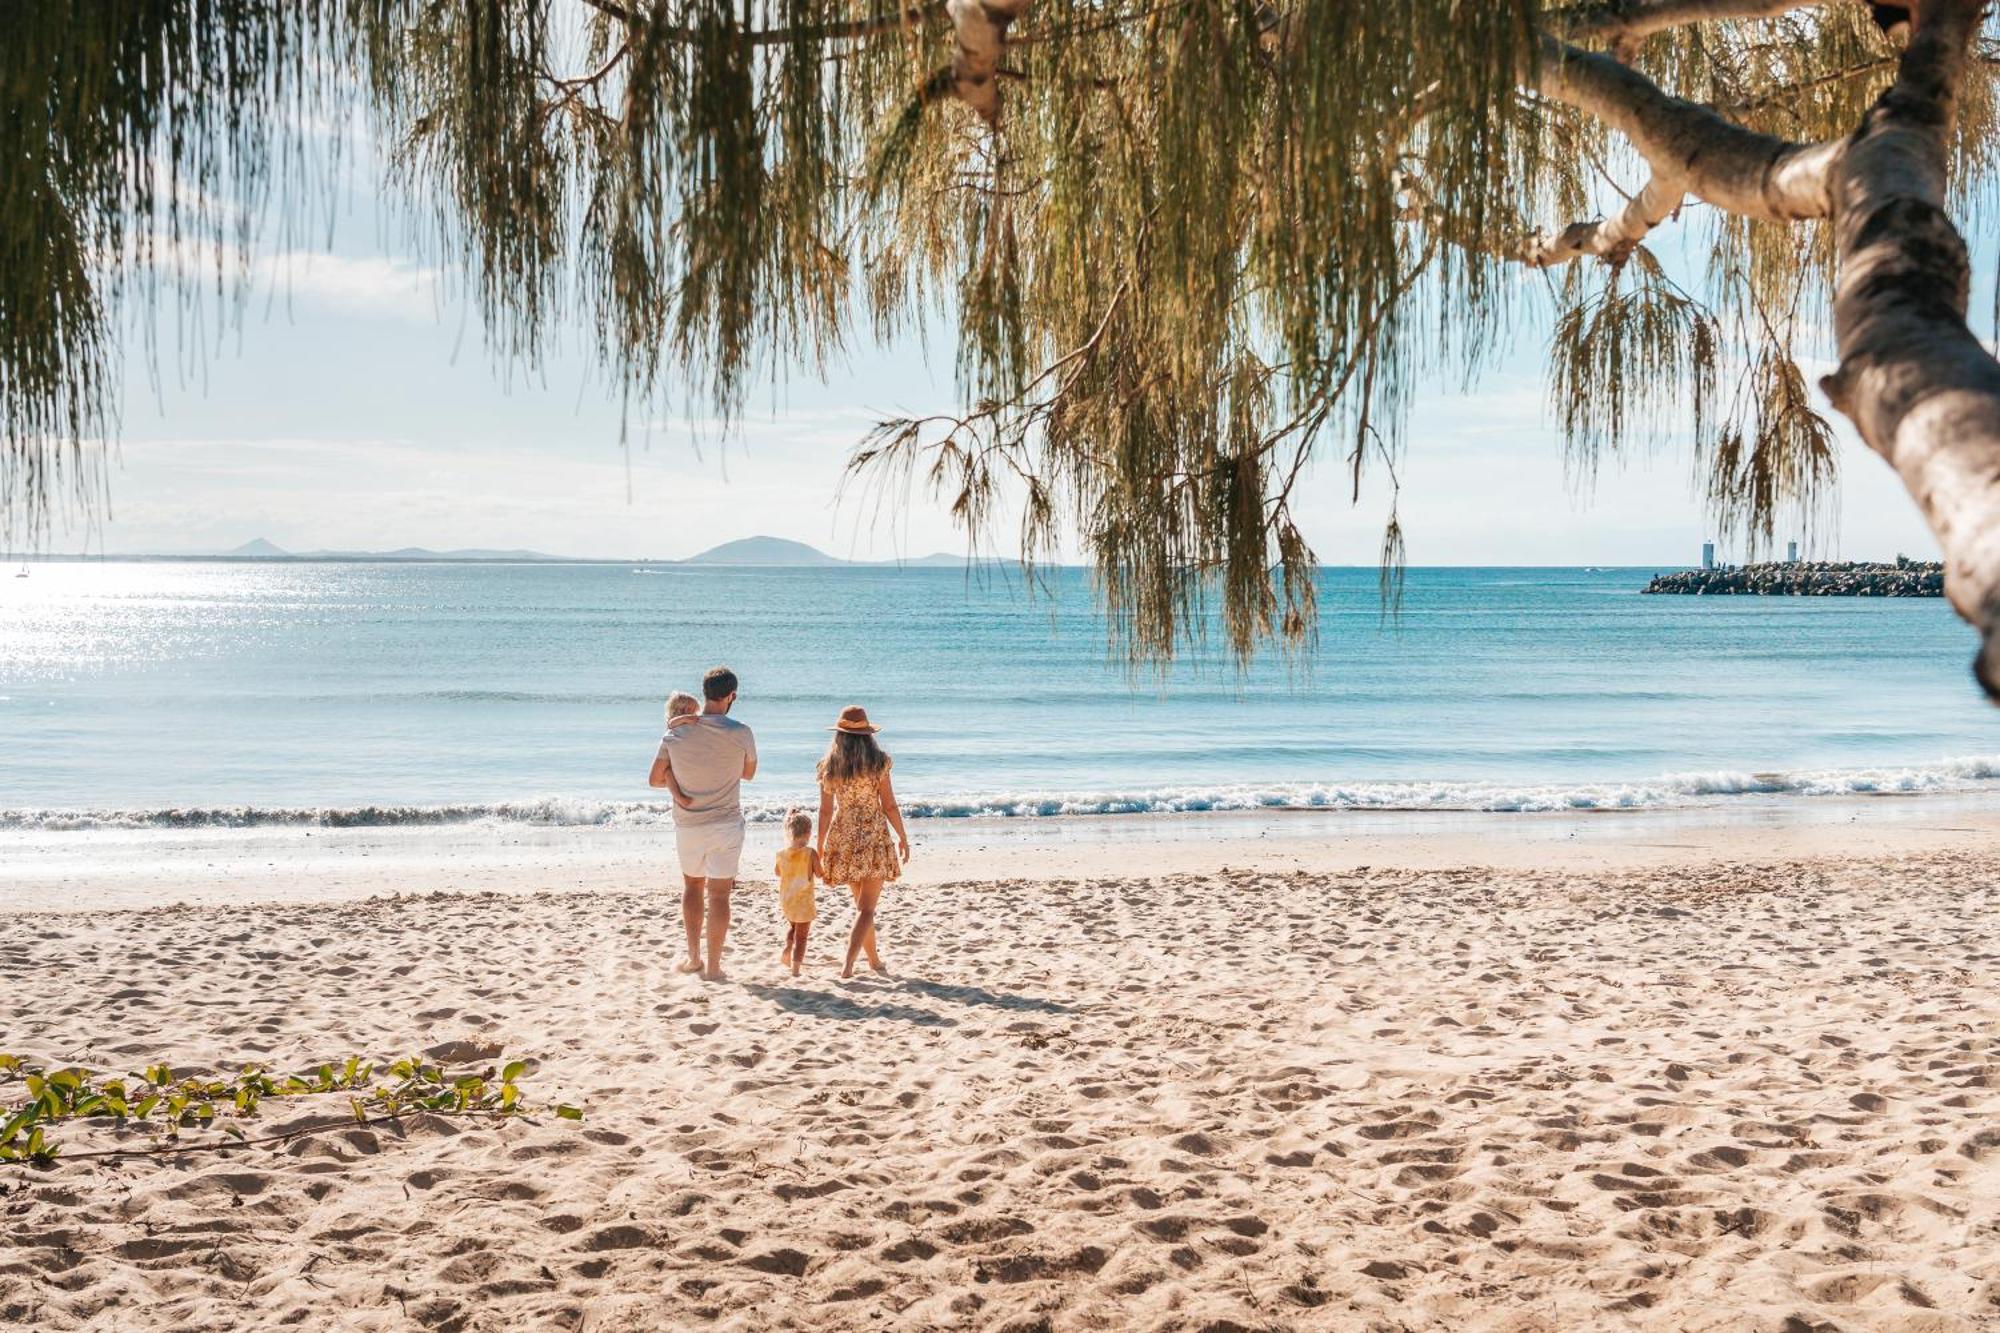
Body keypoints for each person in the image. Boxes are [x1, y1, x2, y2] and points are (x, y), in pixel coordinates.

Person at [648, 666, 757, 980]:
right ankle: (713, 967)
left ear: (705, 693)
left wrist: (676, 783)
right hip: (726, 823)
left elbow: (654, 779)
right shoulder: (742, 732)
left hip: (689, 825)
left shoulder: (676, 732)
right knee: (720, 895)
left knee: (692, 887)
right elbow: (748, 774)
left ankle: (694, 958)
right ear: (731, 696)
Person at [815, 705, 910, 979]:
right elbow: (889, 805)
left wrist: (821, 846)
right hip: (873, 836)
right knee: (867, 909)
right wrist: (902, 836)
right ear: (868, 734)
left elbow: (825, 811)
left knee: (861, 907)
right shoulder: (879, 762)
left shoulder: (829, 766)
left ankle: (875, 961)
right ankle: (848, 964)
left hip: (843, 836)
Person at [774, 810, 821, 977]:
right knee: (802, 936)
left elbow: (778, 873)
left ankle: (787, 950)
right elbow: (820, 873)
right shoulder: (810, 853)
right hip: (803, 902)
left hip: (787, 899)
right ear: (808, 833)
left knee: (793, 927)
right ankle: (795, 969)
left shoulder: (781, 854)